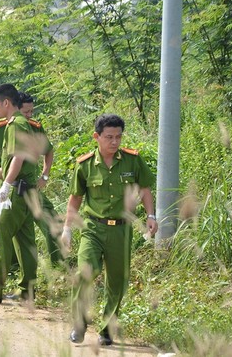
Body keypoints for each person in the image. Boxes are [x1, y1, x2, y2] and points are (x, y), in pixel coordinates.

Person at [64, 113, 157, 346]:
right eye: (109, 137)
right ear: (97, 137)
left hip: (121, 230)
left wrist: (151, 215)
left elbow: (144, 189)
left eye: (118, 137)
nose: (114, 142)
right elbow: (75, 198)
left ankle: (107, 329)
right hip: (92, 228)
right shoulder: (85, 165)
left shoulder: (132, 161)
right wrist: (67, 228)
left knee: (117, 282)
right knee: (85, 272)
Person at [0, 92, 63, 270]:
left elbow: (48, 151)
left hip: (30, 187)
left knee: (49, 222)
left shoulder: (34, 127)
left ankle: (58, 268)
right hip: (8, 187)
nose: (29, 116)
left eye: (31, 112)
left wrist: (45, 175)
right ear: (16, 108)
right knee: (8, 234)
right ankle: (11, 271)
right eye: (25, 112)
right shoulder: (1, 127)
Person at [0, 84, 45, 304]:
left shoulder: (15, 124)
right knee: (25, 242)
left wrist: (6, 184)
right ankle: (28, 292)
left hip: (16, 191)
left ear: (6, 103)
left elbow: (18, 157)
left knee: (1, 239)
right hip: (27, 191)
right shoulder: (25, 124)